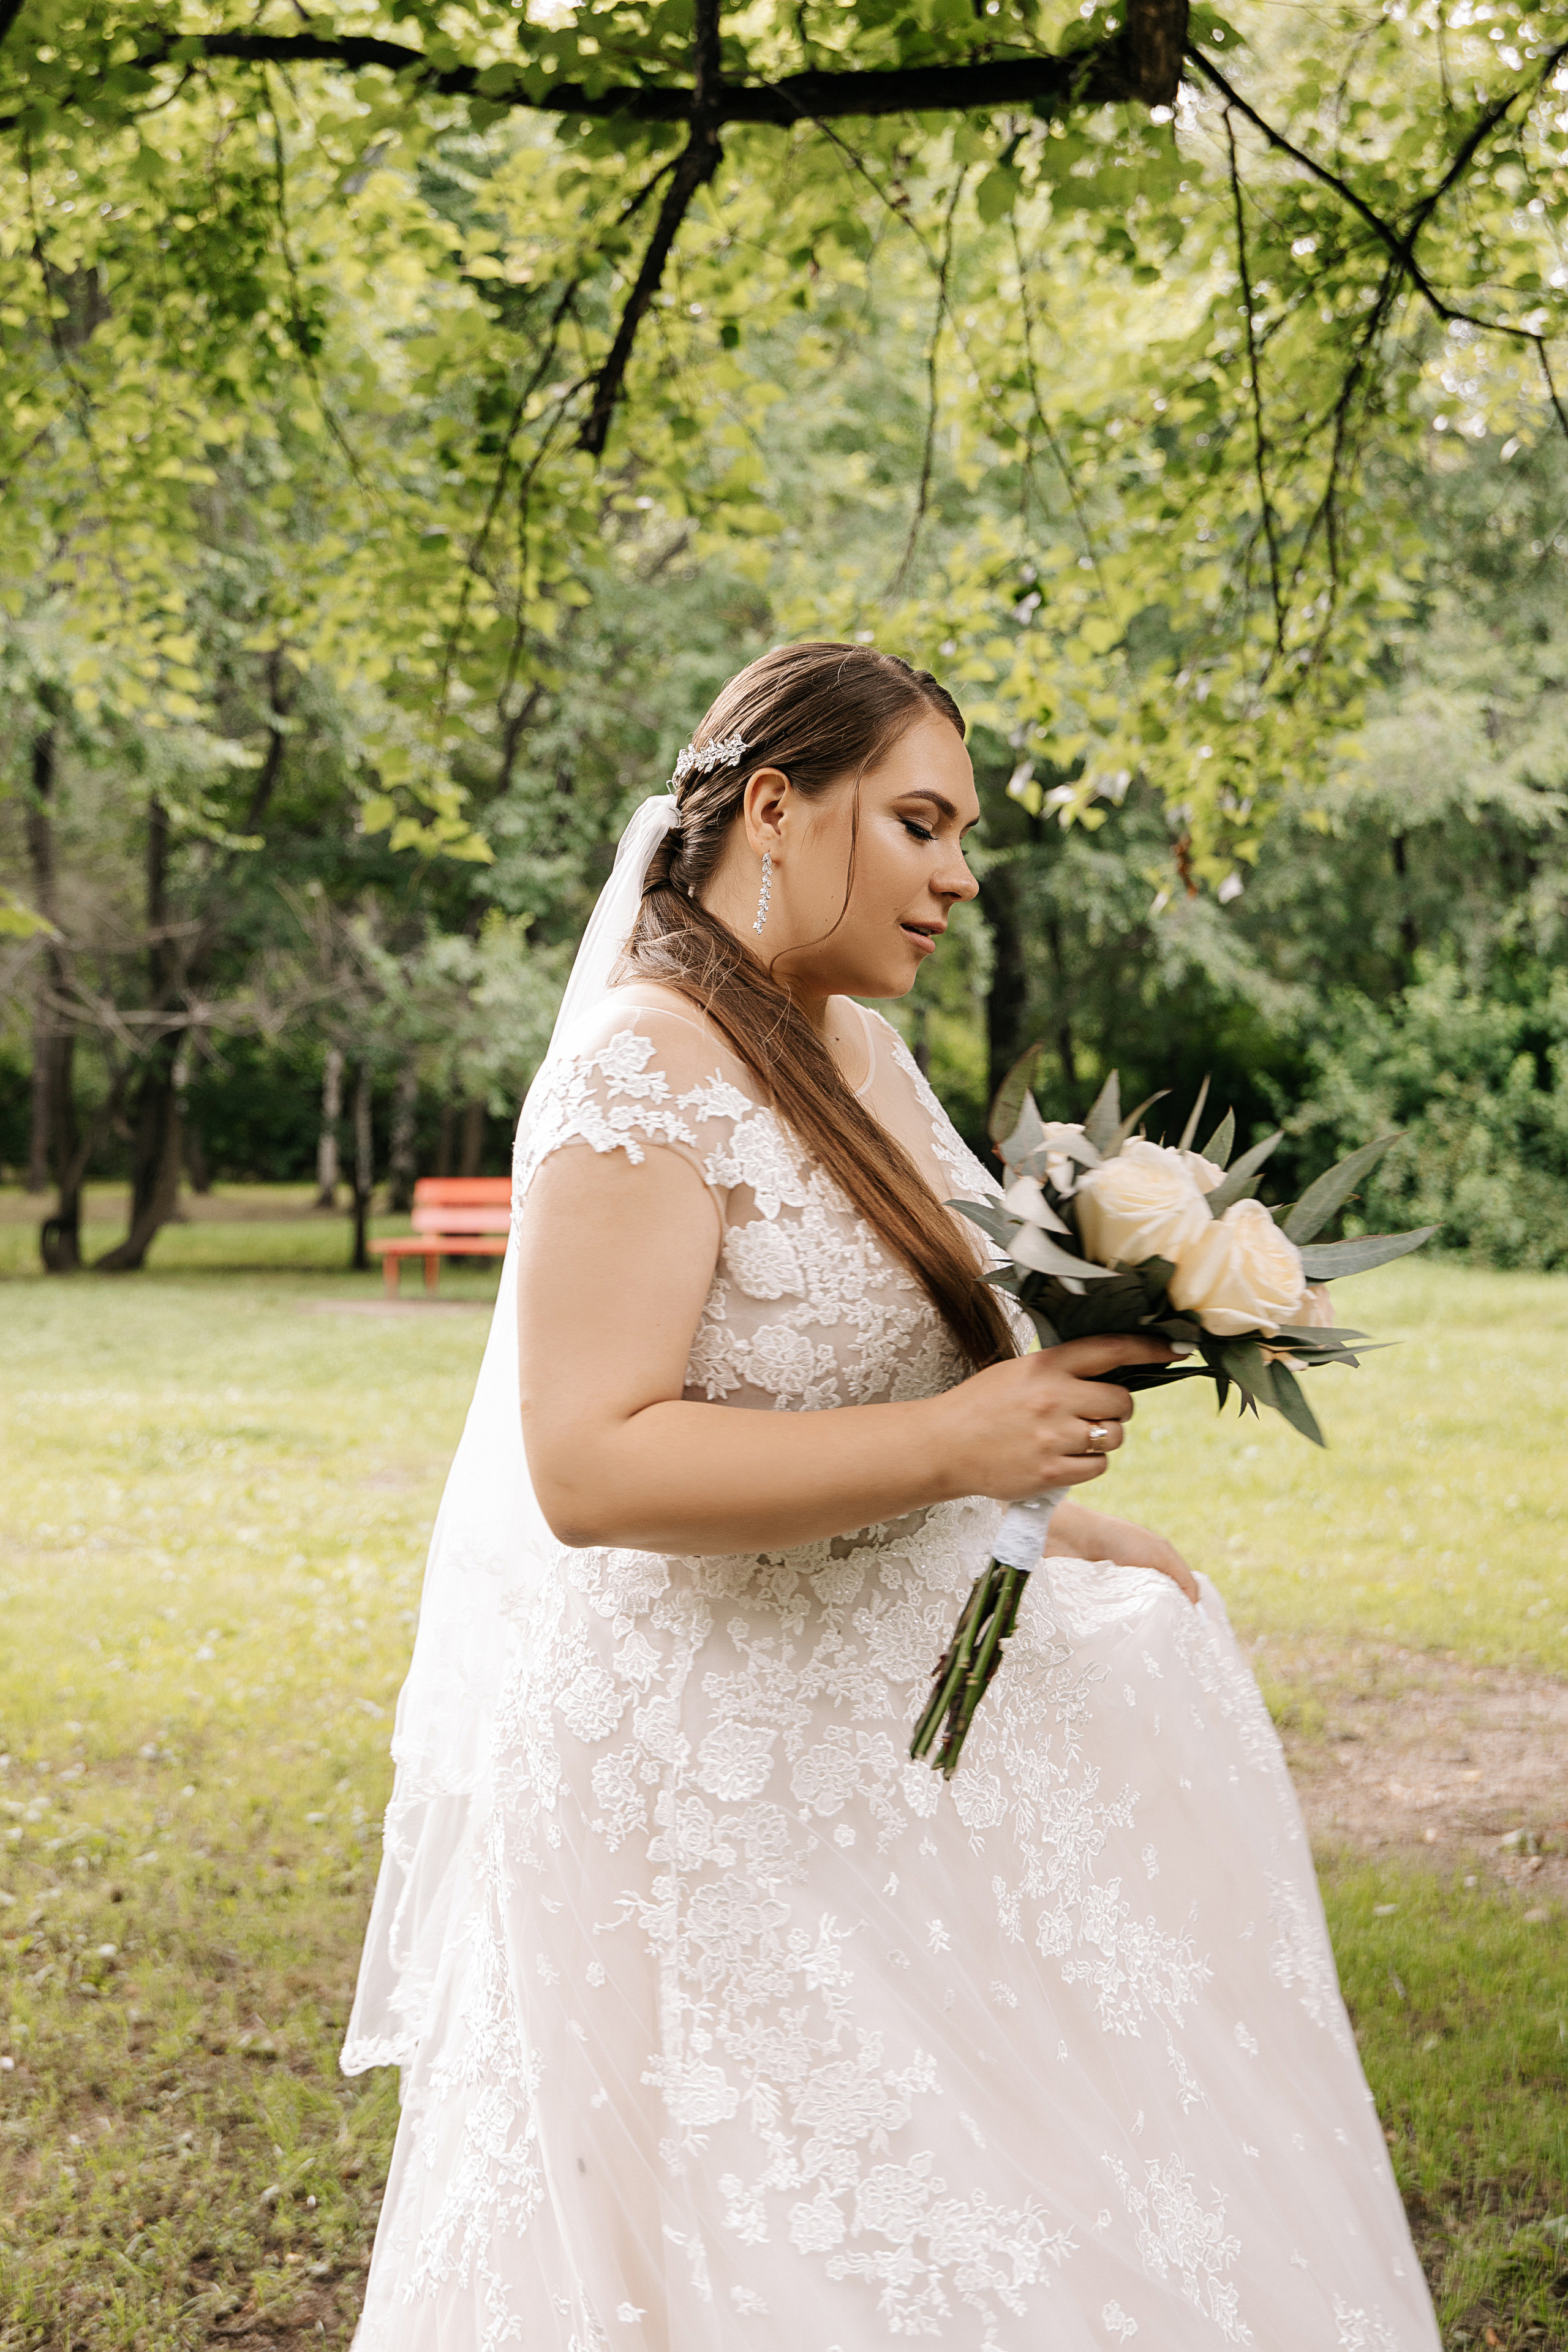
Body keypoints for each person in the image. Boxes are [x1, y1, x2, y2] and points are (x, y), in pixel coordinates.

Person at [343, 642, 1441, 2350]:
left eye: (964, 835)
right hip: (703, 1765)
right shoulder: (646, 1064)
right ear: (777, 807)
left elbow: (883, 1387)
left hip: (873, 1718)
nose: (960, 875)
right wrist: (960, 1448)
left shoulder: (851, 1050)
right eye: (922, 824)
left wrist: (1058, 1516)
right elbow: (591, 1463)